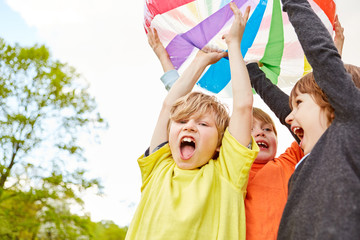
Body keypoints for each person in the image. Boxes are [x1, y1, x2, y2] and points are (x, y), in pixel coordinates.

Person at [125, 3, 259, 240]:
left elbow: (243, 106)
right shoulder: (158, 167)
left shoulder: (228, 173)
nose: (189, 126)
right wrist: (200, 62)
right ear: (170, 131)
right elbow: (170, 105)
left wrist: (234, 46)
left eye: (203, 124)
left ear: (220, 143)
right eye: (183, 121)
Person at [273, 0, 360, 239]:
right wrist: (250, 69)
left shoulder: (350, 127)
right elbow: (282, 108)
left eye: (298, 104)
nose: (288, 117)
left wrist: (293, 3)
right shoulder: (312, 156)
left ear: (334, 101)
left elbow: (322, 55)